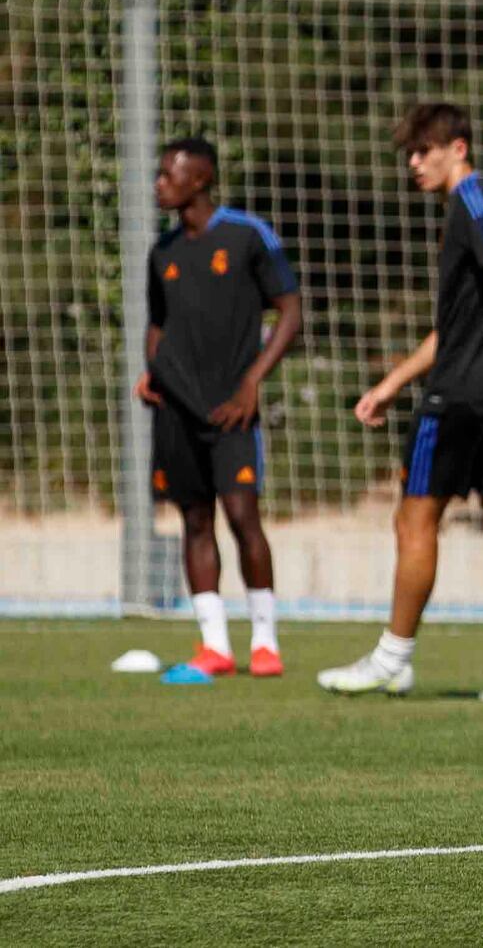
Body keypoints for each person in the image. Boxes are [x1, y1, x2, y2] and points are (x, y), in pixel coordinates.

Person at [317, 104, 483, 704]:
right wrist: (391, 383)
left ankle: (392, 659)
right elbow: (455, 328)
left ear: (458, 146)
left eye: (424, 150)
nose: (415, 163)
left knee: (415, 519)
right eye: (409, 154)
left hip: (460, 400)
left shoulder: (473, 201)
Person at [137, 137, 302, 681]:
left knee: (242, 518)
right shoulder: (162, 252)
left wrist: (253, 381)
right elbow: (158, 324)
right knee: (194, 520)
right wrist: (153, 371)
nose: (159, 183)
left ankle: (265, 643)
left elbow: (290, 309)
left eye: (169, 174)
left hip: (233, 410)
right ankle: (214, 647)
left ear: (201, 178)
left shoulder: (246, 235)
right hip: (176, 412)